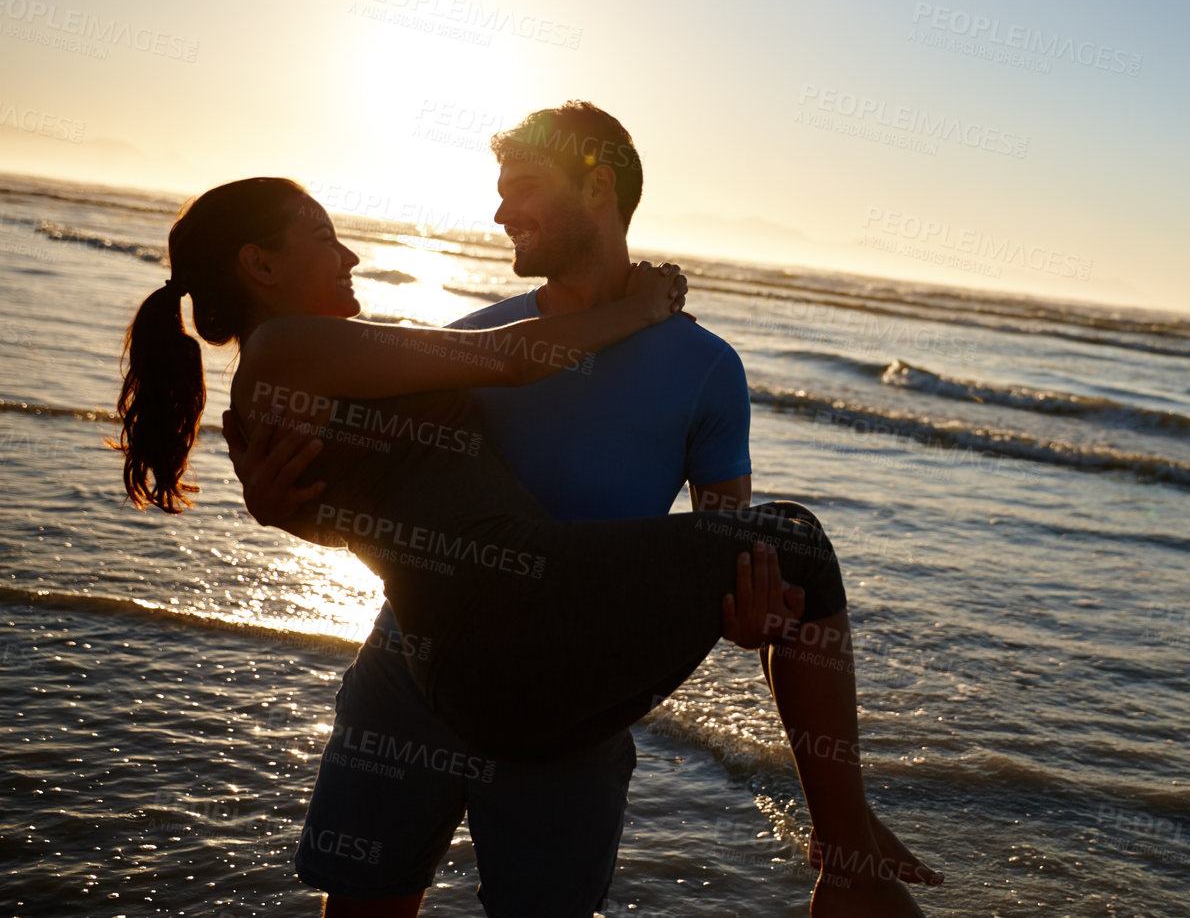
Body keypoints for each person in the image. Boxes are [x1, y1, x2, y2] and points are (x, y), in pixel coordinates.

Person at [113, 170, 935, 917]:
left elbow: (381, 512)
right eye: (324, 237)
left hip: (494, 652)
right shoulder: (291, 346)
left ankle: (848, 850)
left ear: (600, 189)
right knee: (797, 541)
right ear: (259, 267)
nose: (351, 252)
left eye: (523, 188)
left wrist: (748, 611)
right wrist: (647, 306)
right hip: (510, 630)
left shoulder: (318, 367)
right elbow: (506, 364)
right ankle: (847, 856)